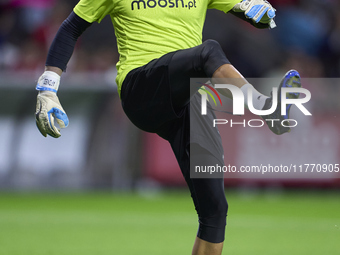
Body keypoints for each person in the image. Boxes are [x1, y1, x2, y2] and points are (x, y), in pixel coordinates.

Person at [35, 0, 301, 254]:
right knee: (207, 52)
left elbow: (250, 10)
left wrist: (263, 12)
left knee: (215, 210)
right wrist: (48, 87)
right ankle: (267, 108)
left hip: (190, 97)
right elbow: (71, 27)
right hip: (141, 88)